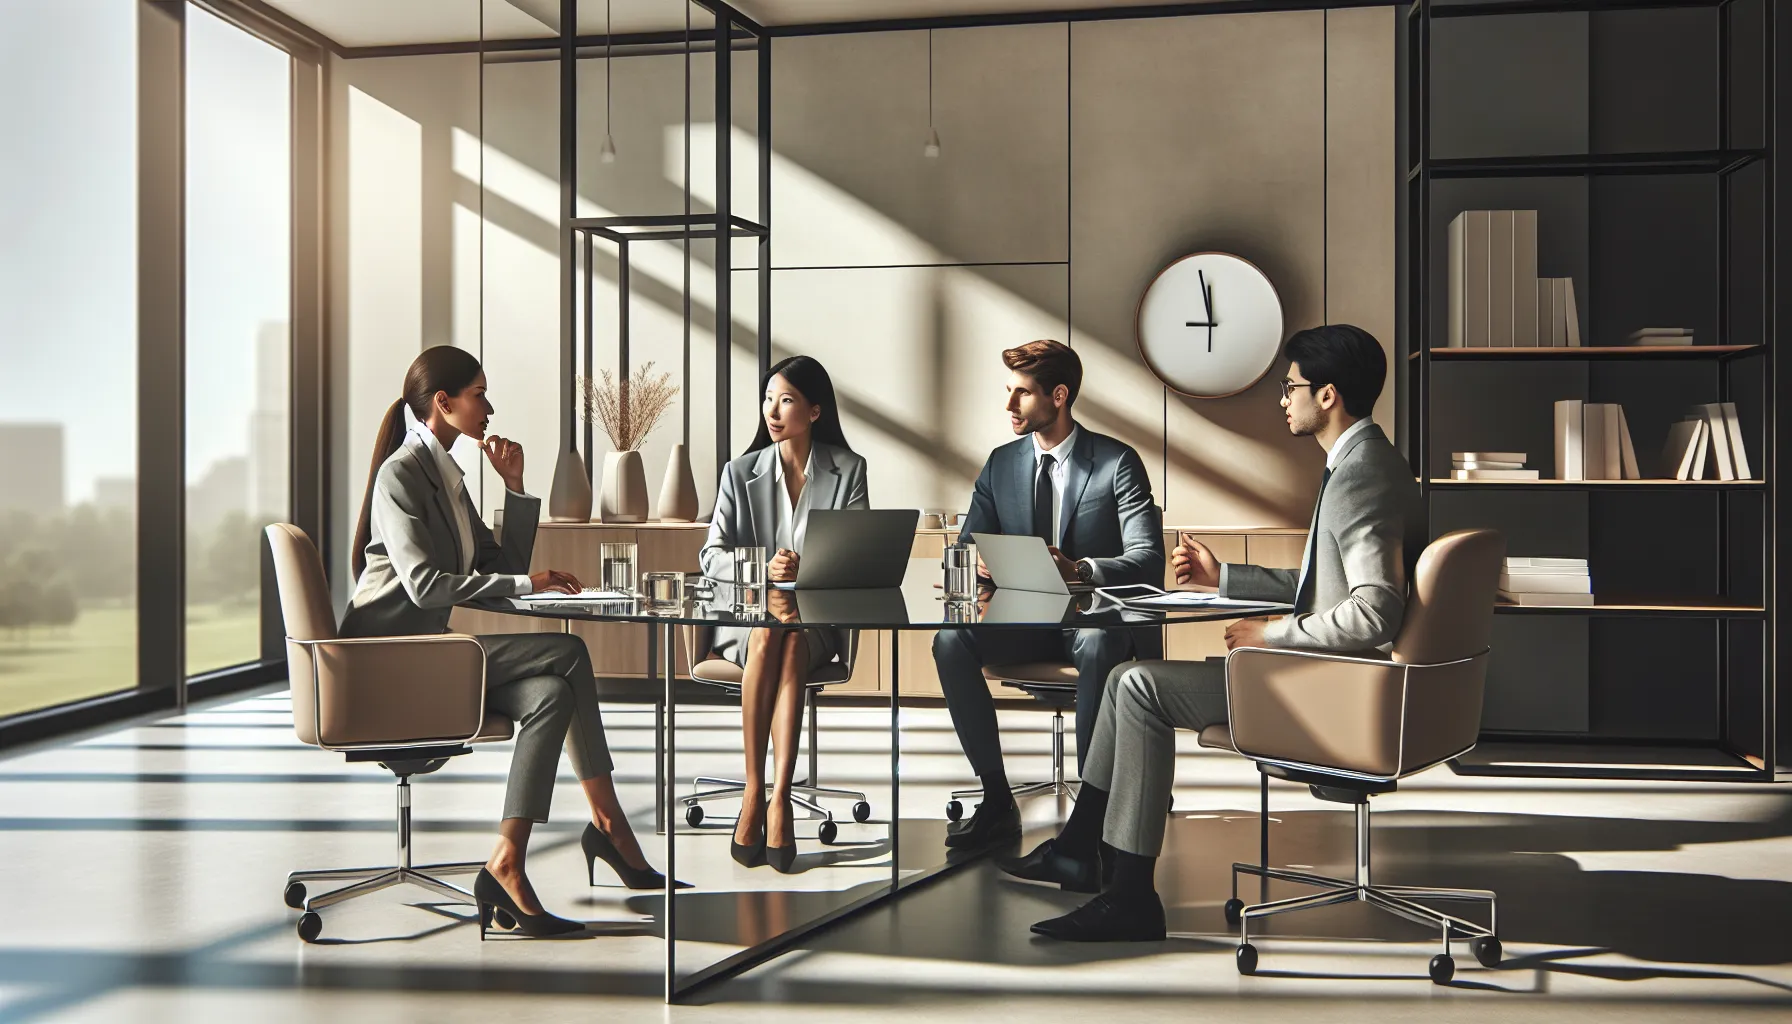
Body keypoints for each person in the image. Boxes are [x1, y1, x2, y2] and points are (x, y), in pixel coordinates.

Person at [1002, 323, 1425, 942]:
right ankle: (1087, 856)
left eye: (1291, 388)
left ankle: (1124, 893)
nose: (1283, 400)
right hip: (1326, 678)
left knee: (1137, 686)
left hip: (1331, 692)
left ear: (1328, 395)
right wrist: (1222, 575)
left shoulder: (1361, 476)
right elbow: (1325, 583)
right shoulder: (1364, 462)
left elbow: (1374, 612)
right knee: (1127, 679)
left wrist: (1274, 635)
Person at [341, 345, 666, 939]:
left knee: (549, 691)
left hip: (426, 657)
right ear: (444, 402)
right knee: (568, 654)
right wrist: (526, 581)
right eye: (479, 394)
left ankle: (507, 861)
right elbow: (425, 587)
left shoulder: (445, 475)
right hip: (386, 665)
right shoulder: (401, 475)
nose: (489, 407)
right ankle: (610, 824)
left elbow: (502, 570)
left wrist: (514, 487)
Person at [933, 340, 1165, 850]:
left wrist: (1080, 569)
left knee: (1100, 644)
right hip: (1025, 624)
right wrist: (979, 566)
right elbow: (969, 543)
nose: (1009, 405)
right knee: (950, 640)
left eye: (1021, 393)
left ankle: (1096, 811)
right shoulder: (1000, 464)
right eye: (1008, 392)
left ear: (1059, 396)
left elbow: (1148, 558)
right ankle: (996, 801)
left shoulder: (1116, 462)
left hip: (1093, 624)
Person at [700, 355, 870, 874]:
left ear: (815, 410)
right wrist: (763, 565)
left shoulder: (849, 470)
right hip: (747, 620)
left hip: (814, 624)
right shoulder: (740, 471)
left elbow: (860, 554)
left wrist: (811, 564)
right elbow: (710, 556)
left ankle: (775, 797)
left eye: (787, 400)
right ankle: (762, 793)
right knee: (773, 637)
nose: (773, 410)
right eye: (769, 399)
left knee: (790, 637)